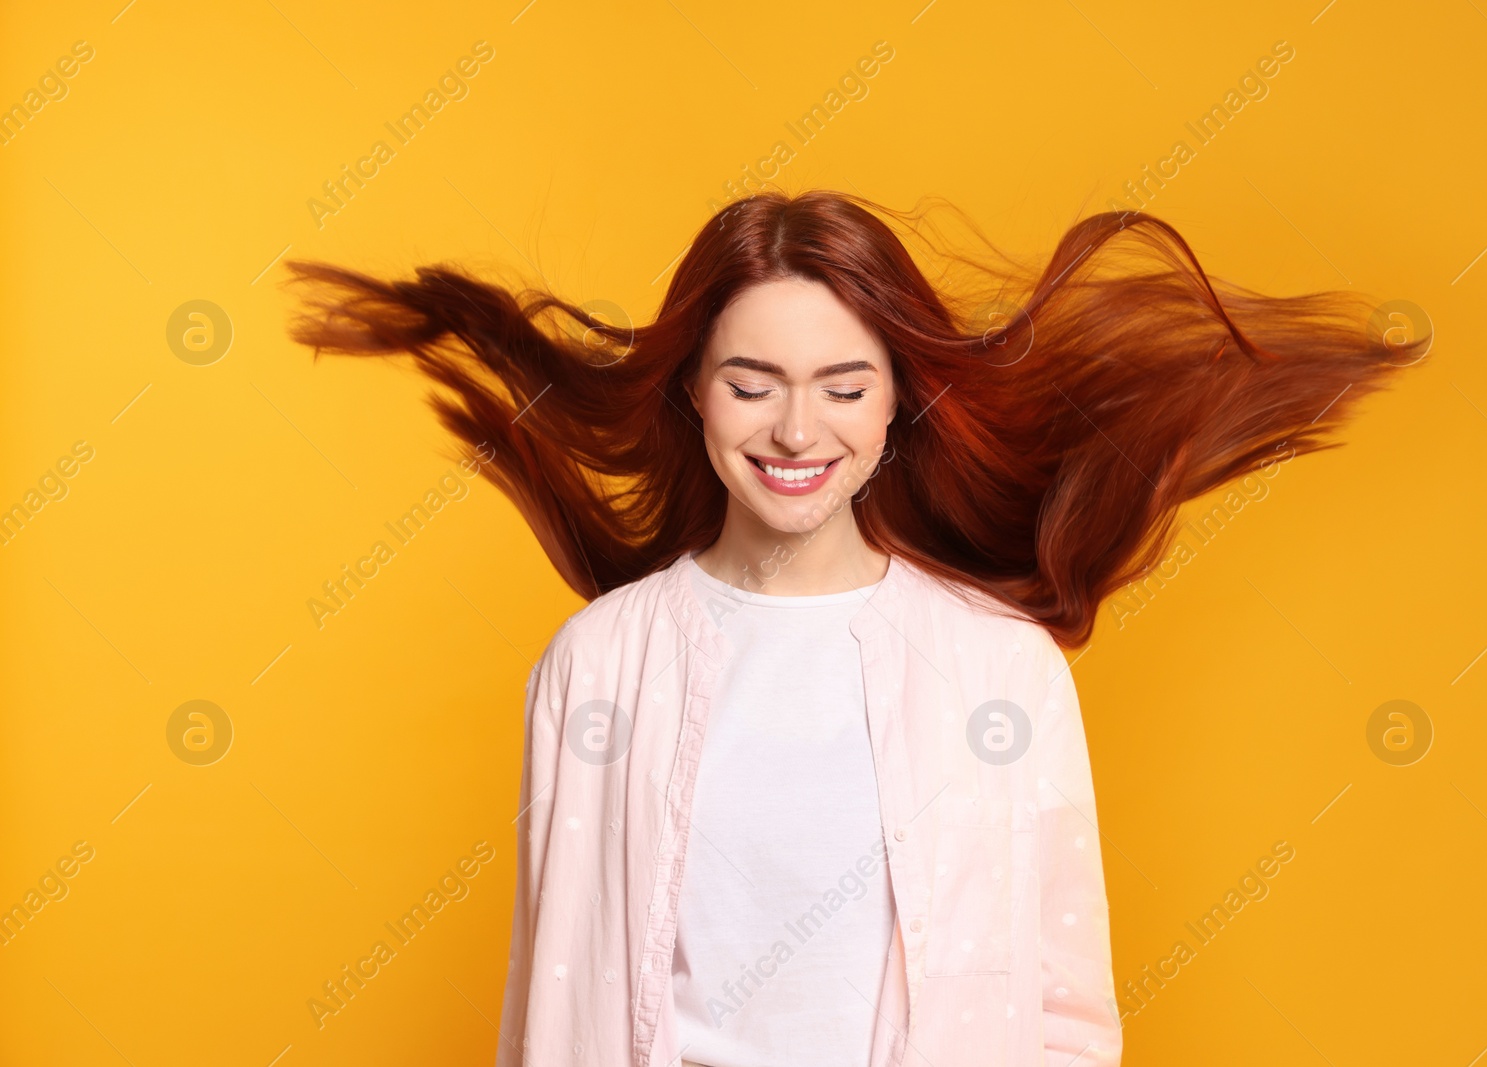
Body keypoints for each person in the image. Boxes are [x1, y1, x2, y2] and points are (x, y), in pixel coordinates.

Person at [283, 189, 1423, 1066]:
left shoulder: (999, 669)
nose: (795, 426)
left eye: (842, 383)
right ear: (692, 391)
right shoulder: (600, 663)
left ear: (895, 399)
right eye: (751, 381)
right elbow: (553, 992)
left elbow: (1064, 1006)